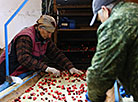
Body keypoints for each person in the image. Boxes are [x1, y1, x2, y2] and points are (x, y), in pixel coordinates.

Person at [0, 15, 83, 86]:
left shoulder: (44, 37)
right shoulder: (25, 37)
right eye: (48, 32)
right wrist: (46, 68)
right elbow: (24, 59)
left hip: (22, 72)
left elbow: (55, 53)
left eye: (51, 33)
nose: (50, 36)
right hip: (8, 71)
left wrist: (70, 67)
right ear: (40, 28)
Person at [86, 0, 138, 101]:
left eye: (99, 19)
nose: (101, 22)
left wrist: (96, 98)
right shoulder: (134, 10)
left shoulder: (116, 22)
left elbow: (99, 74)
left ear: (104, 10)